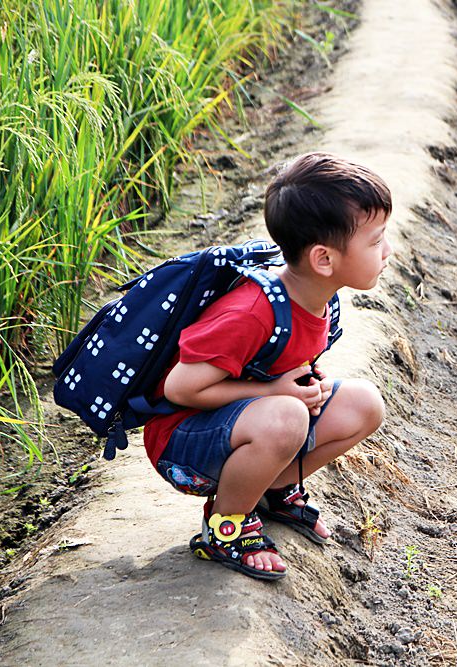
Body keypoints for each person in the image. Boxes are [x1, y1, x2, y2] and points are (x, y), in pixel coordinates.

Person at [142, 152, 392, 580]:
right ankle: (225, 527)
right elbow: (180, 388)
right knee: (287, 415)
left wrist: (302, 386)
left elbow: (283, 367)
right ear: (324, 259)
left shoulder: (318, 296)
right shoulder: (251, 312)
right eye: (376, 241)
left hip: (242, 425)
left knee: (364, 404)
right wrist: (275, 392)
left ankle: (272, 492)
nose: (388, 250)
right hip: (183, 443)